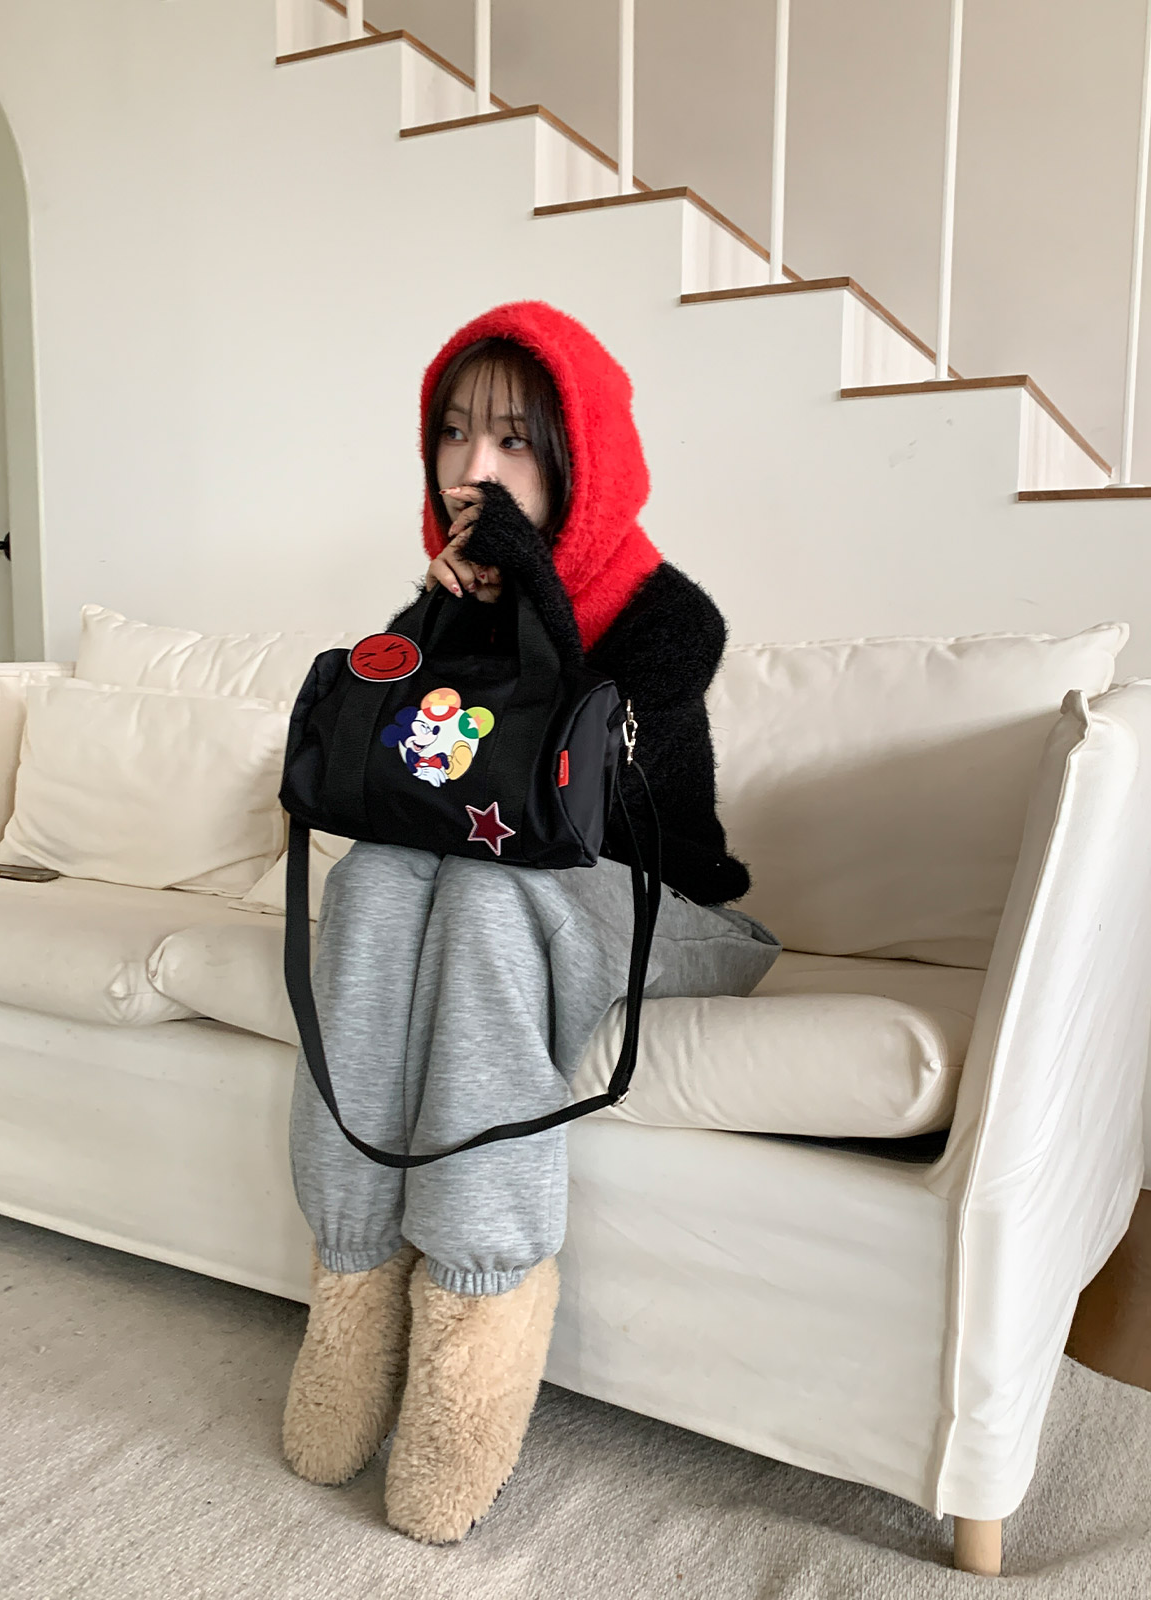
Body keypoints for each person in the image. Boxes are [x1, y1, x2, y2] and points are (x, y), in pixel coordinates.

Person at [281, 300, 783, 1546]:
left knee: (492, 896)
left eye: (513, 439)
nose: (473, 468)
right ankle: (351, 1282)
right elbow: (401, 784)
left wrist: (526, 588)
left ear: (579, 454)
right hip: (523, 899)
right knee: (375, 881)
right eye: (454, 435)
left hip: (676, 911)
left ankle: (475, 1324)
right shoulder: (457, 597)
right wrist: (438, 619)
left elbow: (578, 790)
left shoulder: (673, 617)